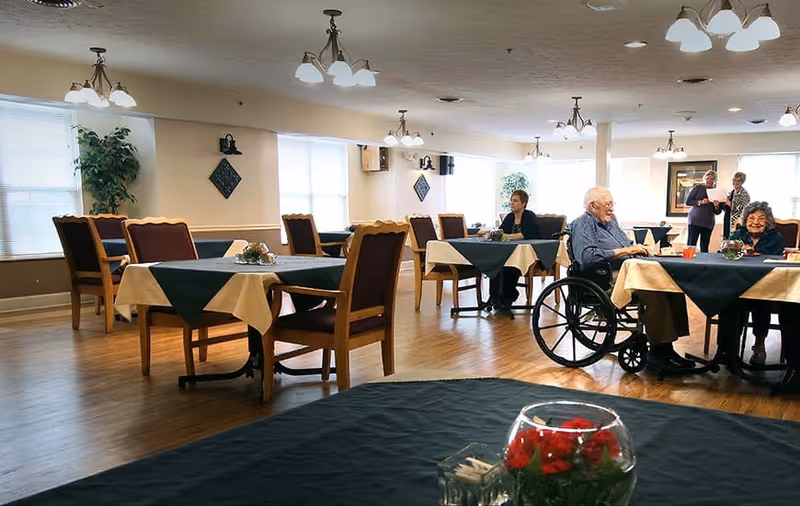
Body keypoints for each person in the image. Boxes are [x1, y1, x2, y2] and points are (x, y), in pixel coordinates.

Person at [570, 187, 694, 369]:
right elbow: (587, 258)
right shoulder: (583, 224)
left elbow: (626, 244)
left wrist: (638, 248)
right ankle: (658, 352)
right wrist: (626, 251)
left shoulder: (611, 221)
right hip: (605, 278)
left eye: (613, 204)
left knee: (671, 285)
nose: (612, 208)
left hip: (629, 271)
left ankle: (667, 347)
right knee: (654, 293)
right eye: (608, 204)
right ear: (593, 206)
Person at [726, 202, 785, 365]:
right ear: (745, 221)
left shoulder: (776, 238)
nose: (756, 222)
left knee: (761, 300)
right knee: (728, 299)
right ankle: (729, 349)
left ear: (768, 222)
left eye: (761, 218)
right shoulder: (737, 235)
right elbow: (724, 254)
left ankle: (759, 345)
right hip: (739, 284)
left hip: (766, 285)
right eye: (751, 218)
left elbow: (777, 261)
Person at [484, 190, 540, 308]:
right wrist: (490, 234)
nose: (511, 203)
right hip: (509, 253)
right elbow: (501, 231)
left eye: (515, 200)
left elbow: (526, 235)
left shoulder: (530, 216)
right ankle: (494, 298)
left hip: (527, 255)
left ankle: (507, 298)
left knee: (511, 267)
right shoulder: (510, 217)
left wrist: (506, 236)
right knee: (496, 264)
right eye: (511, 200)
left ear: (524, 203)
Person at [685, 170, 723, 253]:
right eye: (707, 178)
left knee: (704, 246)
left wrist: (716, 206)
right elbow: (688, 202)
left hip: (708, 223)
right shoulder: (698, 188)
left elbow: (718, 212)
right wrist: (700, 202)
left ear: (715, 181)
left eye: (712, 179)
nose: (709, 180)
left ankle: (704, 265)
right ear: (704, 179)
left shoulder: (717, 193)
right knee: (691, 244)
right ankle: (688, 263)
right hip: (695, 221)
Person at [720, 171, 751, 239]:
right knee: (726, 243)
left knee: (735, 244)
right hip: (727, 221)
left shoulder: (744, 194)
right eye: (734, 180)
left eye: (738, 181)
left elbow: (744, 210)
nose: (736, 182)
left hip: (737, 223)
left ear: (742, 182)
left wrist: (730, 204)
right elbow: (726, 208)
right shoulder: (730, 193)